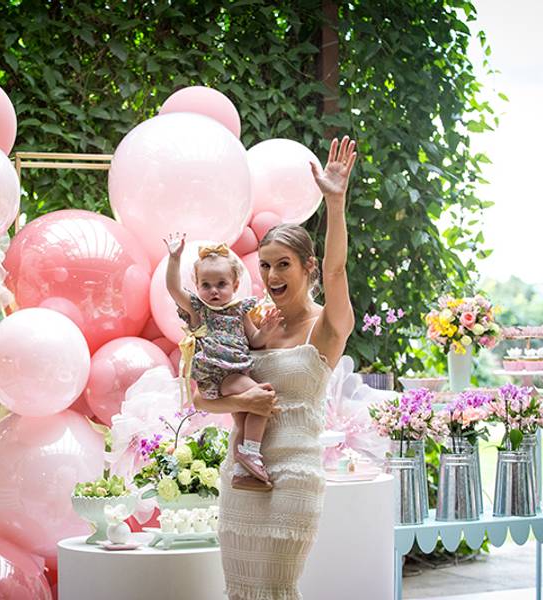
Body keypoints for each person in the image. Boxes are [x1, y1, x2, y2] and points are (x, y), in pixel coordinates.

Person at [192, 136, 357, 600]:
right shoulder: (252, 327)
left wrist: (335, 202)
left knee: (275, 589)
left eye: (283, 265)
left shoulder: (327, 326)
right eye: (264, 267)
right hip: (240, 475)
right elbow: (205, 395)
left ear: (308, 268)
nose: (272, 277)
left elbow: (339, 270)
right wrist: (240, 400)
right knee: (240, 589)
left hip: (293, 475)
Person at [163, 236, 283, 490]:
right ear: (196, 285)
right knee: (263, 398)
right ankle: (250, 451)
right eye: (206, 285)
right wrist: (174, 259)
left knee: (243, 418)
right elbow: (174, 289)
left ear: (235, 284)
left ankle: (243, 472)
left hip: (235, 373)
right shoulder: (199, 310)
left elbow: (256, 340)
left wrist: (268, 330)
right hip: (223, 375)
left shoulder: (239, 311)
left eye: (221, 284)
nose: (214, 291)